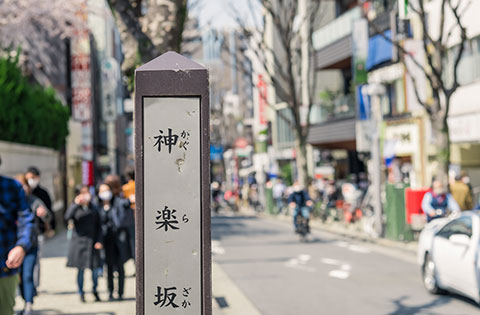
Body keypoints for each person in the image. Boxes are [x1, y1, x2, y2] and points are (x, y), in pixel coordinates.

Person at [0, 156, 35, 315]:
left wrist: (21, 246)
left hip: (5, 265)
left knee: (5, 310)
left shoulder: (11, 187)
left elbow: (26, 220)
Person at [15, 175, 50, 315]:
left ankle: (28, 304)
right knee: (18, 278)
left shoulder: (34, 201)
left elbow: (48, 217)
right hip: (13, 247)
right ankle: (24, 300)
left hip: (30, 245)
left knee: (28, 275)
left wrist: (44, 214)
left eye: (24, 185)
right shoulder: (9, 203)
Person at [65, 185, 103, 303]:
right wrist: (76, 204)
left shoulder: (94, 208)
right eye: (83, 193)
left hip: (92, 241)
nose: (85, 195)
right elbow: (67, 217)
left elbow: (99, 226)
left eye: (87, 193)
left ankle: (95, 290)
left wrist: (99, 240)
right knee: (80, 270)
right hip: (79, 242)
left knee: (95, 270)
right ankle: (81, 292)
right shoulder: (75, 208)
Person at [98, 183, 131, 301]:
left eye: (107, 190)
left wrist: (131, 199)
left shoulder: (117, 202)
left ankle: (121, 292)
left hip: (119, 240)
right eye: (102, 191)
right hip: (107, 241)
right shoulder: (98, 206)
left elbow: (125, 203)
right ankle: (110, 291)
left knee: (120, 266)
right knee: (109, 267)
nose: (105, 193)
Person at [25, 167, 55, 234]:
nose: (30, 180)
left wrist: (52, 227)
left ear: (38, 177)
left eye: (33, 177)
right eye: (28, 179)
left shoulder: (43, 193)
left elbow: (49, 211)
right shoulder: (22, 193)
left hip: (40, 230)